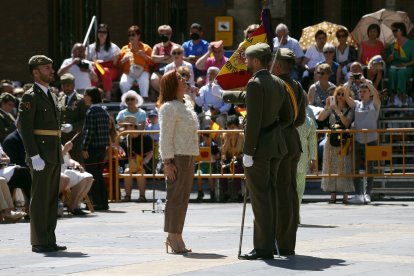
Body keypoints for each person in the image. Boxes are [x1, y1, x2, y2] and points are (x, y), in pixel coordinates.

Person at [223, 43, 290, 260]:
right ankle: (270, 243)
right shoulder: (279, 82)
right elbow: (287, 117)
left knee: (260, 198)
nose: (246, 63)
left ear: (257, 61)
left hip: (259, 149)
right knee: (269, 196)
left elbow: (253, 122)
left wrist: (248, 151)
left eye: (249, 60)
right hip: (276, 145)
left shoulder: (255, 83)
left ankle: (263, 248)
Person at [18, 55, 65, 253]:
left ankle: (49, 239)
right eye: (47, 68)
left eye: (51, 67)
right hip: (41, 154)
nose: (51, 71)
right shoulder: (30, 96)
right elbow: (24, 127)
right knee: (39, 199)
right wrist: (34, 155)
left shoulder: (51, 94)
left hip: (52, 152)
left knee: (51, 198)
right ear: (36, 72)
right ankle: (39, 241)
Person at [159, 70, 199, 254]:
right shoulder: (168, 107)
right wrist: (167, 162)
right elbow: (165, 136)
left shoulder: (187, 104)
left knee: (182, 199)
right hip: (177, 157)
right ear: (172, 85)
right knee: (174, 198)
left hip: (189, 155)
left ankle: (177, 234)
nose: (184, 80)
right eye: (179, 79)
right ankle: (172, 235)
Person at [271, 48, 306, 256]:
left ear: (278, 66)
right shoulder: (298, 85)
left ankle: (281, 242)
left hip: (280, 143)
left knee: (281, 193)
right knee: (290, 192)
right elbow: (300, 119)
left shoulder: (277, 85)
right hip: (293, 141)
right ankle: (288, 241)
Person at [344, 78, 381, 204]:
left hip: (372, 140)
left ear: (369, 92)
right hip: (358, 139)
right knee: (355, 168)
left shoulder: (374, 103)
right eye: (360, 91)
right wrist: (349, 83)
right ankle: (359, 194)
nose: (362, 93)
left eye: (365, 91)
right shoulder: (357, 104)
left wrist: (367, 82)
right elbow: (346, 97)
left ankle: (368, 194)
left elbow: (376, 95)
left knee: (370, 168)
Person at [318, 86, 355, 203]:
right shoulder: (331, 108)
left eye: (343, 94)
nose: (340, 96)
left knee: (344, 166)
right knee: (331, 166)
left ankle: (345, 193)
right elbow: (320, 118)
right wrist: (327, 107)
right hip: (331, 141)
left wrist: (338, 112)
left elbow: (346, 122)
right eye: (338, 94)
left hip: (344, 141)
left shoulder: (350, 109)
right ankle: (332, 193)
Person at [81, 87, 110, 211]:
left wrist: (84, 147)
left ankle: (94, 203)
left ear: (90, 97)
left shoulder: (91, 112)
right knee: (99, 176)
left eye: (85, 95)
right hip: (101, 148)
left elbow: (89, 132)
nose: (84, 97)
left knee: (92, 176)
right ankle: (103, 202)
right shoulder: (104, 111)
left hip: (92, 149)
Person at [119, 116, 153, 202]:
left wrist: (143, 162)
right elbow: (123, 156)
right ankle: (127, 196)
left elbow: (151, 152)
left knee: (140, 171)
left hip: (145, 165)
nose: (125, 128)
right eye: (125, 126)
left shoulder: (145, 137)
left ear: (133, 125)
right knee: (127, 171)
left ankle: (142, 196)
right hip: (130, 165)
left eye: (126, 126)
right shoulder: (124, 140)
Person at [58, 73, 88, 163]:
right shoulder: (60, 99)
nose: (66, 88)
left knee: (77, 165)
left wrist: (72, 127)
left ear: (73, 85)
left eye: (68, 85)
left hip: (76, 139)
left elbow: (85, 120)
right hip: (62, 139)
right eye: (63, 85)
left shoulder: (81, 100)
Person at [87, 23, 121, 101]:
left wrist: (110, 60)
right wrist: (95, 62)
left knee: (104, 70)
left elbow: (116, 63)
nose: (102, 34)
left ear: (107, 34)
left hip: (110, 70)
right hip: (97, 68)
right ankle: (93, 96)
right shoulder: (91, 47)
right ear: (97, 33)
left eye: (104, 32)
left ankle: (107, 96)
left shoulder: (113, 47)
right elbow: (86, 61)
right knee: (93, 71)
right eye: (100, 31)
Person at [118, 25, 153, 99]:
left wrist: (145, 56)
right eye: (129, 35)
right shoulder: (124, 48)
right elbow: (119, 65)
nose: (131, 37)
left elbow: (153, 63)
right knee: (123, 83)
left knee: (144, 81)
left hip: (142, 71)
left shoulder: (146, 48)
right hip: (128, 72)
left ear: (138, 36)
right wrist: (123, 60)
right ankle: (125, 101)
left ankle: (144, 100)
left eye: (133, 34)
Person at [296, 96, 317, 214]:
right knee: (299, 188)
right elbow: (313, 143)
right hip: (303, 158)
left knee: (289, 187)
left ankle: (290, 214)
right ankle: (296, 212)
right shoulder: (309, 121)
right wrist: (313, 159)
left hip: (288, 157)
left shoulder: (287, 119)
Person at [61, 141, 93, 215]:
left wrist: (76, 163)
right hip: (60, 170)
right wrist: (65, 150)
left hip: (67, 169)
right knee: (83, 178)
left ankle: (76, 205)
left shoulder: (60, 144)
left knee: (89, 177)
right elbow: (55, 160)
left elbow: (68, 159)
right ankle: (73, 206)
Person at [386, 22, 414, 107]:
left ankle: (403, 97)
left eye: (395, 30)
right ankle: (392, 97)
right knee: (391, 71)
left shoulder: (412, 44)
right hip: (394, 66)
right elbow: (387, 62)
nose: (393, 33)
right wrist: (389, 58)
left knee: (401, 73)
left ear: (401, 30)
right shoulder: (392, 45)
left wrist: (404, 65)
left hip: (407, 66)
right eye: (392, 31)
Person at [220, 115, 244, 202]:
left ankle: (239, 193)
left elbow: (244, 152)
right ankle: (226, 193)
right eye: (229, 127)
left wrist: (237, 157)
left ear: (238, 127)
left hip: (239, 160)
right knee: (222, 170)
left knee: (236, 169)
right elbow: (222, 152)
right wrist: (227, 140)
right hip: (228, 159)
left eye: (233, 127)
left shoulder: (242, 136)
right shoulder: (224, 135)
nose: (231, 129)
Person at [150, 25, 180, 92]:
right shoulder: (157, 46)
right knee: (153, 79)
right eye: (162, 34)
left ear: (170, 35)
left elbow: (173, 59)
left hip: (172, 72)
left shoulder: (175, 46)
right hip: (159, 72)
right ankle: (163, 94)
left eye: (167, 34)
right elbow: (153, 58)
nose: (165, 36)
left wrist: (160, 59)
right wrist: (165, 57)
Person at [358, 24, 385, 89]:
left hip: (377, 67)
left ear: (378, 33)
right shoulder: (362, 44)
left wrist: (385, 48)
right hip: (364, 66)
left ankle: (374, 88)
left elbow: (382, 58)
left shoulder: (380, 44)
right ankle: (366, 87)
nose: (372, 33)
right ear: (368, 32)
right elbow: (359, 59)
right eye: (371, 31)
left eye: (375, 31)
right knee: (368, 69)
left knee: (379, 69)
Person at [196, 131, 220, 202]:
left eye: (208, 139)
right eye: (205, 139)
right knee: (198, 175)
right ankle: (200, 192)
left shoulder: (214, 146)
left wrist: (213, 156)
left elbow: (218, 156)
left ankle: (212, 192)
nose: (207, 140)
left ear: (211, 138)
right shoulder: (201, 145)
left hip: (211, 164)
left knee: (210, 176)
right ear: (203, 138)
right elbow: (197, 156)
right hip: (202, 165)